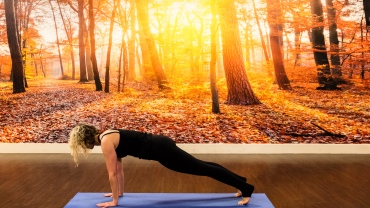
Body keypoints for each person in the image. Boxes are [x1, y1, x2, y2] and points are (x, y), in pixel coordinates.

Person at [69, 123, 254, 207]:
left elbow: (112, 174)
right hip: (160, 146)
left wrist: (114, 201)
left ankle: (246, 188)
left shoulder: (105, 143)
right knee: (202, 165)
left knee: (202, 168)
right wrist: (120, 193)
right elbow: (118, 169)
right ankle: (241, 181)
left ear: (85, 140)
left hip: (160, 150)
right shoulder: (107, 135)